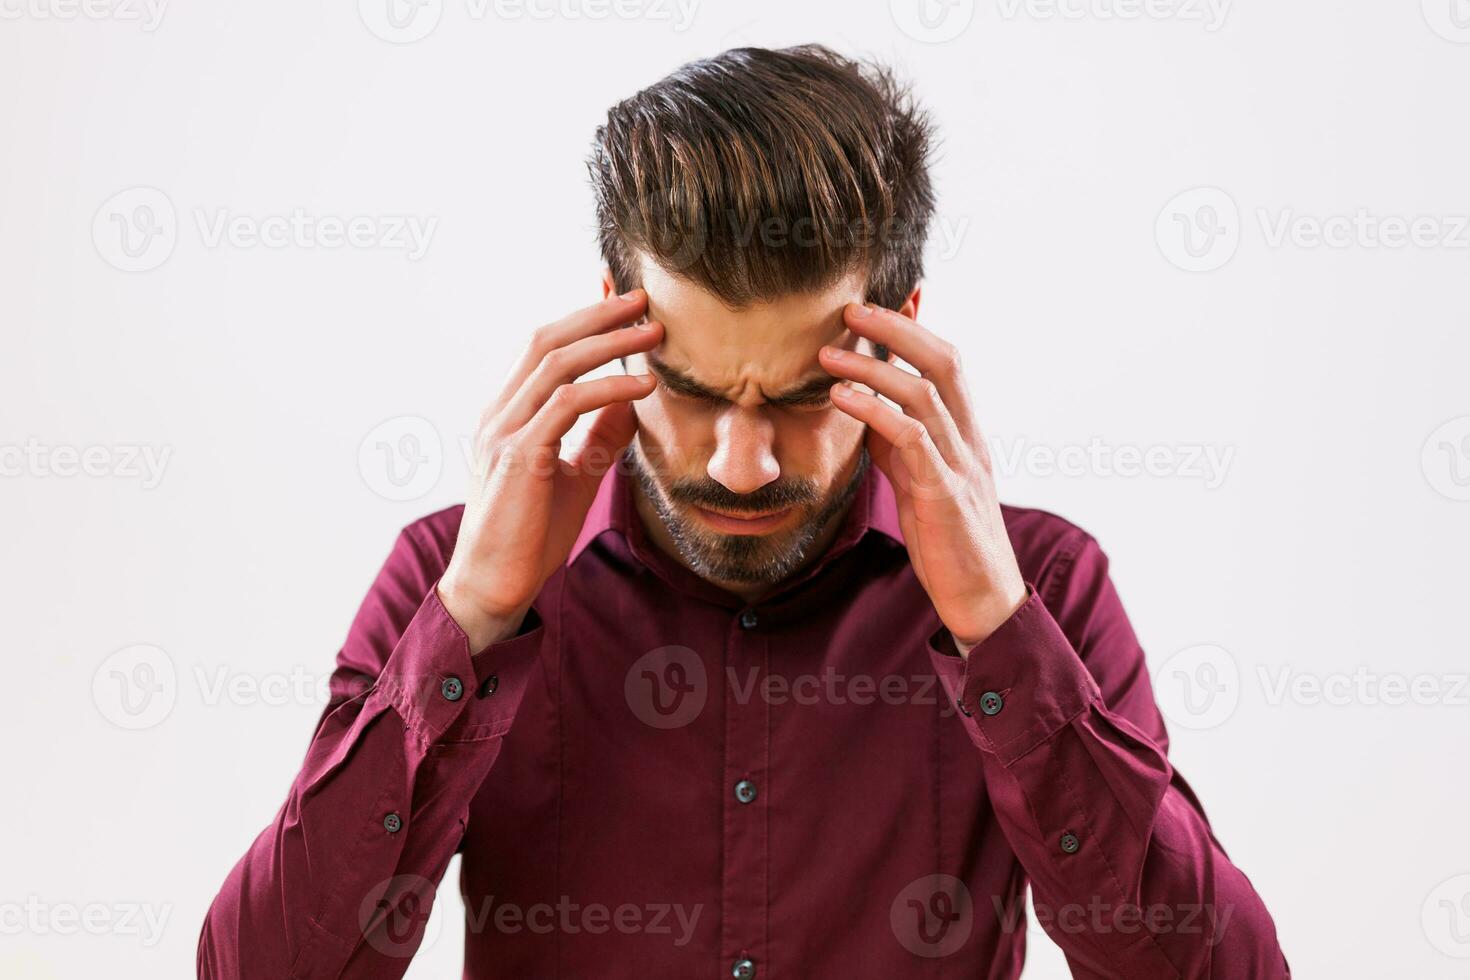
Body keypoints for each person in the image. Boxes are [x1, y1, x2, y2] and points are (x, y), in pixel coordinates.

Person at [198, 44, 1289, 979]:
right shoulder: (451, 568)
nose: (746, 463)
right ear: (616, 324)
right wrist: (475, 616)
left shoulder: (1040, 583)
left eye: (807, 398)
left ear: (901, 332)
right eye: (694, 389)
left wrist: (1001, 636)